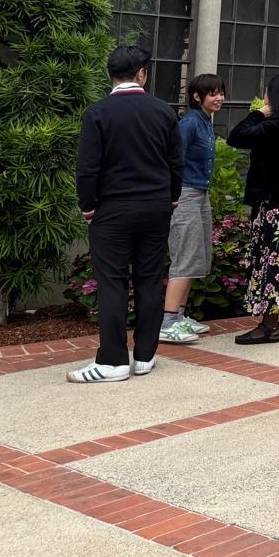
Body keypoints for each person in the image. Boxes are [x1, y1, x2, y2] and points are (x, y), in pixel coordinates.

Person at [68, 46, 184, 383]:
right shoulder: (163, 112)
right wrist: (172, 199)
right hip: (156, 207)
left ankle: (113, 360)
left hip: (113, 209)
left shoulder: (98, 113)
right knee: (149, 279)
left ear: (110, 75)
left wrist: (88, 207)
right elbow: (176, 163)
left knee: (113, 282)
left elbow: (87, 168)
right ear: (142, 73)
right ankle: (145, 356)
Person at [227, 74, 279, 344]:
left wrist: (257, 114)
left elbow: (236, 137)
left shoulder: (274, 127)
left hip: (273, 202)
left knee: (271, 261)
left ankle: (269, 326)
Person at [160, 73, 226, 345]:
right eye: (213, 94)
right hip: (185, 192)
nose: (219, 98)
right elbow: (172, 159)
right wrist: (172, 196)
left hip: (201, 192)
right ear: (197, 97)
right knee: (185, 253)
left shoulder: (205, 122)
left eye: (221, 93)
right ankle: (167, 321)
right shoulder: (189, 123)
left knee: (197, 254)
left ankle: (179, 317)